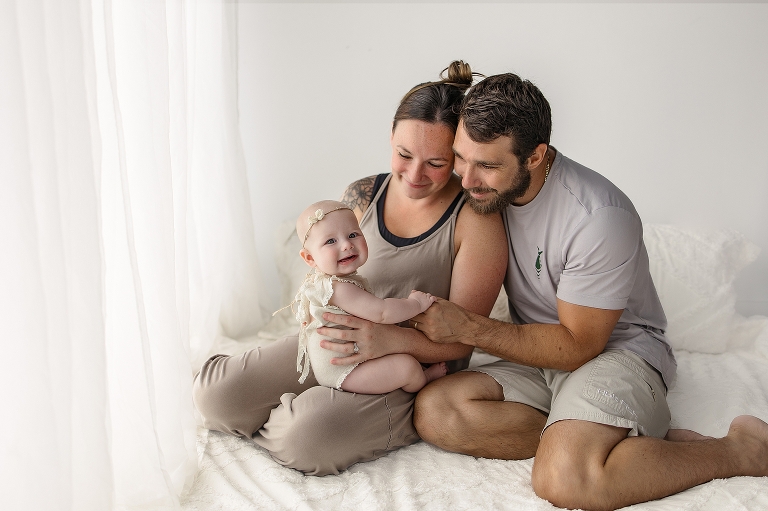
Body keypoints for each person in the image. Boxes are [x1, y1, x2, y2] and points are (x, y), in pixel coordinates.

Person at [391, 72, 768, 511]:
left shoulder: (597, 216)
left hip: (613, 351)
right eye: (460, 158)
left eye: (488, 166)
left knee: (565, 479)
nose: (467, 179)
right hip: (536, 351)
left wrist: (469, 327)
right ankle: (600, 433)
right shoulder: (482, 190)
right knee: (437, 411)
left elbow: (578, 346)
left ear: (535, 156)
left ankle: (741, 449)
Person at [192, 60, 508, 476]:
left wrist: (385, 339)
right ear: (391, 138)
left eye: (436, 162)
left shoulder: (476, 221)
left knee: (304, 439)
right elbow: (327, 271)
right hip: (331, 343)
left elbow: (462, 342)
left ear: (459, 157)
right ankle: (294, 405)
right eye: (404, 154)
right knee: (215, 397)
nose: (414, 174)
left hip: (407, 367)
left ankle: (305, 416)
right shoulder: (361, 194)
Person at [291, 199, 446, 393]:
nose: (347, 245)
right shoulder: (339, 288)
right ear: (310, 258)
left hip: (340, 360)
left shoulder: (326, 283)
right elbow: (382, 313)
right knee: (407, 366)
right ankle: (422, 379)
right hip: (345, 369)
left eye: (353, 234)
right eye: (331, 241)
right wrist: (415, 304)